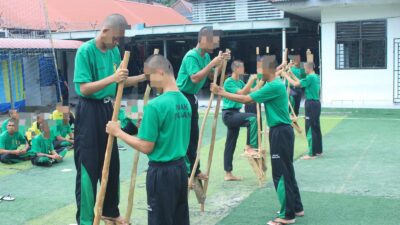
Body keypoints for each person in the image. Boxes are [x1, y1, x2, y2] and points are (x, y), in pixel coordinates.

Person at [211, 56, 304, 225]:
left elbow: (247, 99)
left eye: (260, 69)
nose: (257, 72)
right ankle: (296, 207)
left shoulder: (274, 86)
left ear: (267, 70)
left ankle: (287, 215)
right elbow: (252, 90)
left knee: (280, 173)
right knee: (287, 171)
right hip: (283, 131)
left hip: (280, 132)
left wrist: (221, 93)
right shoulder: (273, 83)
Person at [73, 13, 147, 225]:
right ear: (104, 31)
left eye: (119, 39)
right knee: (88, 167)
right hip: (88, 112)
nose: (117, 42)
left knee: (111, 163)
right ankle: (86, 220)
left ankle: (110, 211)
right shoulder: (85, 51)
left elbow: (119, 82)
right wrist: (113, 78)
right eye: (115, 38)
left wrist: (145, 76)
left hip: (108, 108)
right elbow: (84, 88)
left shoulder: (114, 51)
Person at [106, 55, 191, 225]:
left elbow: (146, 147)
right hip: (180, 169)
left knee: (160, 220)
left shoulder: (155, 105)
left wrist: (118, 132)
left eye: (149, 77)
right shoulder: (185, 101)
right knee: (179, 219)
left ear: (160, 73)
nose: (149, 82)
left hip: (162, 173)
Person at [176, 26, 229, 180]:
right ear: (204, 39)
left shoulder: (205, 56)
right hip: (181, 97)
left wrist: (220, 65)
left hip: (192, 97)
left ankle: (194, 170)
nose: (215, 46)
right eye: (214, 42)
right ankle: (185, 171)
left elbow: (212, 76)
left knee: (193, 135)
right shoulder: (191, 56)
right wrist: (212, 64)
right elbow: (195, 78)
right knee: (185, 135)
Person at [221, 60, 259, 181]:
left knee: (230, 144)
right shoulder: (229, 82)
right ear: (236, 69)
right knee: (252, 118)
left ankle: (228, 173)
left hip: (235, 113)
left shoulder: (241, 82)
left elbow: (251, 91)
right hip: (229, 114)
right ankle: (249, 146)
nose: (244, 69)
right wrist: (251, 81)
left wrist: (261, 82)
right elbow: (242, 93)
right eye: (242, 67)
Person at [283, 62, 322, 159]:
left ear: (308, 68)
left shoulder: (310, 77)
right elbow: (301, 82)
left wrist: (285, 76)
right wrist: (291, 75)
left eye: (304, 69)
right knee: (316, 127)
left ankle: (311, 153)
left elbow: (296, 84)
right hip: (316, 104)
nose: (304, 70)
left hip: (311, 104)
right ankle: (318, 150)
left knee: (310, 128)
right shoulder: (315, 76)